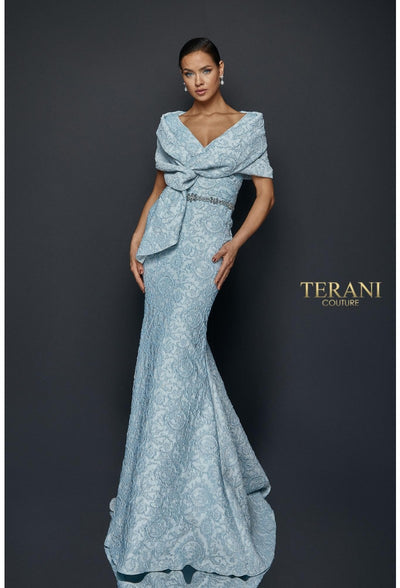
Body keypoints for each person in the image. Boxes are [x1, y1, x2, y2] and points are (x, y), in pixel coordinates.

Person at [104, 37, 276, 587]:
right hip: (162, 250)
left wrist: (235, 244)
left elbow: (265, 196)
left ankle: (182, 499)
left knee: (180, 359)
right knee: (168, 363)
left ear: (221, 69)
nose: (197, 80)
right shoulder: (170, 125)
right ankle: (158, 498)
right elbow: (158, 189)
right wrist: (136, 238)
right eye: (188, 73)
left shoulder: (247, 126)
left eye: (205, 70)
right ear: (181, 77)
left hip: (207, 250)